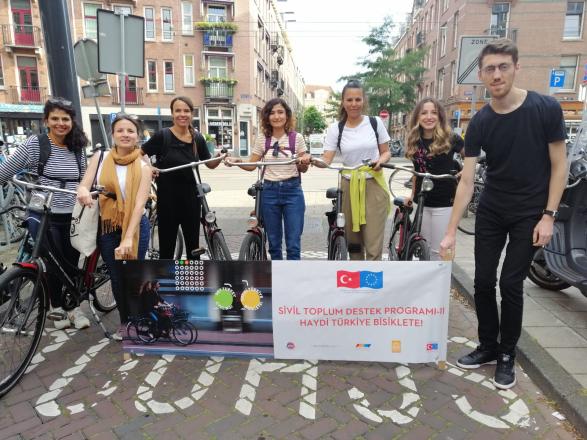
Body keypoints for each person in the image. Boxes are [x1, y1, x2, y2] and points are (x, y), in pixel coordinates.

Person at [439, 39, 568, 389]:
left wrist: (549, 215)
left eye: (503, 67)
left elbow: (559, 166)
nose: (496, 75)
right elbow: (467, 181)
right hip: (492, 210)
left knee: (511, 283)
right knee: (483, 281)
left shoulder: (545, 108)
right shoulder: (480, 121)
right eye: (490, 69)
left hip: (530, 213)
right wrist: (450, 231)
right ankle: (488, 346)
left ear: (516, 68)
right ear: (481, 75)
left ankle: (508, 353)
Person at [0, 98, 90, 329]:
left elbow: (84, 179)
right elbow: (4, 171)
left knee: (71, 261)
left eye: (65, 119)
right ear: (46, 121)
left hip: (72, 214)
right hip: (43, 213)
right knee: (52, 261)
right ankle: (57, 307)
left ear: (72, 121)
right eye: (55, 118)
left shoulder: (77, 147)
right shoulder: (35, 144)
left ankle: (73, 307)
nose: (60, 123)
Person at [77, 114, 151, 340]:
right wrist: (83, 191)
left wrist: (128, 237)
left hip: (136, 226)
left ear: (137, 135)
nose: (125, 134)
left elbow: (139, 204)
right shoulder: (100, 157)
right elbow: (84, 184)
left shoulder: (144, 165)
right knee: (117, 277)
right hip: (108, 226)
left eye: (130, 131)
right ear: (112, 134)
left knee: (133, 276)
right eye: (120, 130)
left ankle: (140, 319)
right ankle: (126, 322)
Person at [226, 98, 310, 260]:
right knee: (274, 244)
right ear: (267, 117)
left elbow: (303, 169)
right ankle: (278, 274)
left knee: (293, 244)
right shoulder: (262, 139)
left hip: (293, 192)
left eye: (280, 112)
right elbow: (252, 165)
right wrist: (237, 162)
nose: (276, 116)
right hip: (269, 192)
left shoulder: (296, 138)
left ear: (287, 115)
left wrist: (304, 161)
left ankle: (294, 275)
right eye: (272, 113)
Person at [141, 96, 222, 259]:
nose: (182, 114)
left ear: (192, 114)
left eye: (186, 111)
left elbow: (209, 164)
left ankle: (191, 275)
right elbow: (139, 154)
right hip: (167, 200)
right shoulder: (163, 136)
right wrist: (148, 167)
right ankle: (167, 276)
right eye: (178, 110)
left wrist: (220, 157)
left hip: (192, 199)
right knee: (167, 248)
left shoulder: (197, 138)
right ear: (172, 113)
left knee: (193, 248)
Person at [319, 80, 391, 260]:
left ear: (363, 100)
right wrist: (310, 161)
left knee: (373, 245)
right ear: (343, 102)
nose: (354, 104)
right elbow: (326, 159)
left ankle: (372, 277)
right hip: (348, 186)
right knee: (353, 244)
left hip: (373, 184)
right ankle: (356, 276)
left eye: (358, 99)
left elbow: (386, 152)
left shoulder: (375, 123)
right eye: (349, 100)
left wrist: (381, 161)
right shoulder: (336, 128)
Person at [404, 97, 464, 260]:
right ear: (417, 117)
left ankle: (443, 276)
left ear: (440, 116)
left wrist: (464, 172)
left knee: (441, 250)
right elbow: (417, 171)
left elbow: (471, 158)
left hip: (444, 202)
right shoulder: (414, 139)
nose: (429, 117)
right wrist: (412, 195)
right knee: (424, 248)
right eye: (424, 113)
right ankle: (428, 276)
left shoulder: (451, 138)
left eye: (434, 113)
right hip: (421, 202)